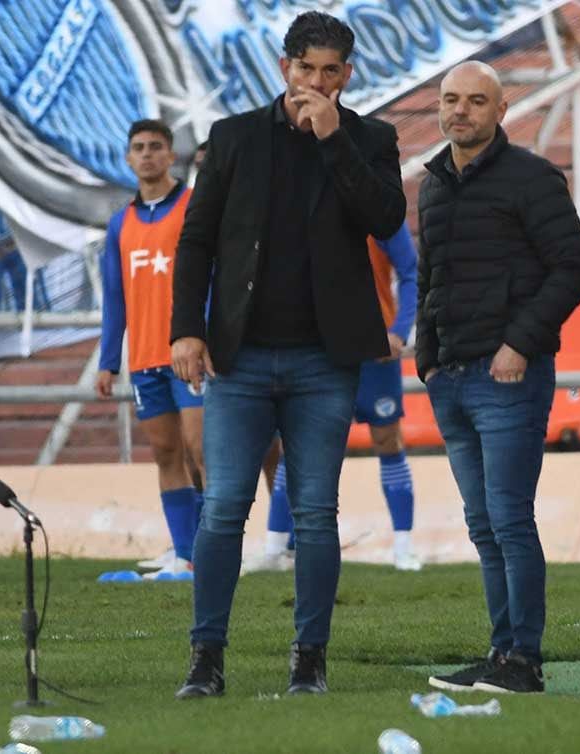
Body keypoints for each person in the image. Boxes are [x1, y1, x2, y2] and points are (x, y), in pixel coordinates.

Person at [170, 11, 405, 698]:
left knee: (314, 512)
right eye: (307, 70)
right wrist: (188, 328)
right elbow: (196, 241)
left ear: (348, 76)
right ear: (285, 69)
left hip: (324, 361)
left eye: (332, 72)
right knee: (222, 508)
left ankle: (310, 658)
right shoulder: (235, 138)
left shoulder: (370, 138)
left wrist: (335, 145)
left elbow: (386, 220)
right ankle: (206, 658)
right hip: (239, 359)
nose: (318, 83)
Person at [417, 61, 580, 695]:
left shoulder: (533, 179)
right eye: (451, 100)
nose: (460, 111)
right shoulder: (433, 184)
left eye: (475, 101)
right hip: (452, 381)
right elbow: (428, 278)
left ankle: (525, 661)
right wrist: (426, 358)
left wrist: (519, 343)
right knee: (483, 523)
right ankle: (501, 652)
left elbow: (573, 268)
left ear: (501, 110)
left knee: (510, 519)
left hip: (508, 377)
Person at [247, 222, 421, 574]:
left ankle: (403, 547)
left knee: (387, 438)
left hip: (375, 349)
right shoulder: (305, 204)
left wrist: (399, 330)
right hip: (318, 349)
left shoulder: (378, 209)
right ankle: (275, 547)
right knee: (297, 444)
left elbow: (410, 271)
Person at [97, 119, 204, 580]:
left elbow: (213, 279)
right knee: (166, 454)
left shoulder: (194, 208)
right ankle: (185, 552)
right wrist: (107, 361)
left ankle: (217, 552)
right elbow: (114, 297)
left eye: (156, 147)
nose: (147, 155)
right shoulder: (120, 223)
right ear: (127, 157)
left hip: (190, 355)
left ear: (170, 155)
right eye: (138, 147)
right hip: (144, 358)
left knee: (203, 451)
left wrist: (208, 338)